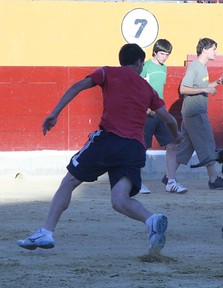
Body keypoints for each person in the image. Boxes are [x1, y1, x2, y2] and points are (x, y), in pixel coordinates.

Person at [17, 43, 181, 253]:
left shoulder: (108, 72)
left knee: (69, 181)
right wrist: (176, 136)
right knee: (120, 199)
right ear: (139, 62)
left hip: (109, 140)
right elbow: (168, 119)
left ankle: (46, 231)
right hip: (134, 147)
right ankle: (151, 219)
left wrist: (55, 113)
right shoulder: (148, 89)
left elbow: (77, 86)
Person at [174, 37, 223, 190]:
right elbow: (183, 89)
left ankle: (169, 176)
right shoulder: (195, 67)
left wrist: (216, 83)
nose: (215, 52)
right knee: (207, 142)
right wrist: (205, 89)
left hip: (191, 112)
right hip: (195, 112)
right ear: (204, 49)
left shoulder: (201, 67)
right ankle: (213, 179)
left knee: (186, 147)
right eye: (213, 49)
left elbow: (201, 86)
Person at [140, 39, 187, 194]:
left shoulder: (164, 68)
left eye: (167, 54)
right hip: (147, 113)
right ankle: (136, 182)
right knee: (141, 147)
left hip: (160, 110)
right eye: (162, 53)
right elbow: (137, 87)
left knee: (171, 144)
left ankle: (171, 181)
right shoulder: (145, 66)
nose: (164, 57)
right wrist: (145, 107)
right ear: (154, 52)